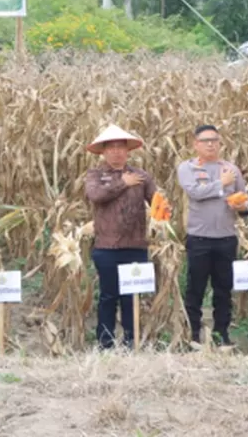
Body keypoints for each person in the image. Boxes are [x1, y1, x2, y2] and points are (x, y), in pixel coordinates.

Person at [84, 125, 158, 350]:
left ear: (128, 151)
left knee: (132, 296)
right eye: (112, 148)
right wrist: (122, 183)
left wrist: (162, 207)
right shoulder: (95, 175)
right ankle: (105, 342)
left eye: (121, 147)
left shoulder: (142, 176)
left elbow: (155, 201)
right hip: (106, 247)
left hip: (136, 246)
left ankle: (131, 341)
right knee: (108, 296)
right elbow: (95, 196)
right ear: (103, 152)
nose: (117, 152)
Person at [176, 125, 248, 349]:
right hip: (199, 238)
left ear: (220, 143)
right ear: (195, 144)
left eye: (214, 140)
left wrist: (242, 206)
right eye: (205, 140)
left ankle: (221, 335)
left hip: (226, 237)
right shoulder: (187, 168)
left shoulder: (230, 168)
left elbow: (242, 198)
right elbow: (195, 193)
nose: (210, 144)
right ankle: (193, 335)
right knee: (195, 288)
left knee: (223, 289)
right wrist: (222, 185)